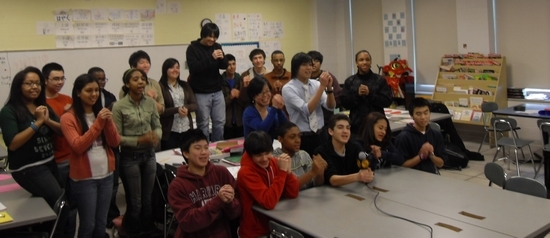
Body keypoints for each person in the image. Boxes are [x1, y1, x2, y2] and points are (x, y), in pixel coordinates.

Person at [0, 67, 66, 234]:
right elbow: (13, 144)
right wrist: (37, 123)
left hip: (49, 163)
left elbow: (61, 131)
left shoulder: (42, 105)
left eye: (37, 83)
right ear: (18, 86)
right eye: (29, 83)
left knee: (50, 205)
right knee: (59, 202)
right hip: (28, 169)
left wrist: (46, 120)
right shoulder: (9, 111)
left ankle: (41, 232)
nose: (35, 87)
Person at [60, 74, 121, 238]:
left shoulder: (101, 113)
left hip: (107, 174)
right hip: (84, 179)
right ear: (78, 92)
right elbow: (78, 146)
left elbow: (115, 142)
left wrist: (108, 123)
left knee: (101, 223)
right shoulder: (68, 117)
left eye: (96, 90)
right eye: (88, 90)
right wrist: (99, 122)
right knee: (88, 224)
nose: (94, 94)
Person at [112, 68, 162, 237]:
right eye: (135, 79)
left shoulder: (149, 102)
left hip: (149, 155)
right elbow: (116, 137)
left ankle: (148, 229)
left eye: (143, 79)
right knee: (136, 202)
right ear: (127, 84)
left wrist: (156, 136)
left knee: (148, 199)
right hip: (129, 157)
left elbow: (157, 125)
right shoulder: (119, 106)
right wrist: (139, 140)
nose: (140, 82)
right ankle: (132, 231)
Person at [168, 129, 241, 238]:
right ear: (186, 153)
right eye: (198, 148)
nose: (204, 152)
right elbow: (188, 223)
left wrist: (230, 202)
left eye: (206, 147)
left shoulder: (221, 173)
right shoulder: (177, 186)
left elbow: (236, 213)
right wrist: (218, 200)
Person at [237, 131, 299, 238]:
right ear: (250, 155)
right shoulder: (245, 173)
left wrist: (288, 173)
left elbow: (292, 193)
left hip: (276, 225)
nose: (265, 158)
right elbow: (268, 202)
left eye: (267, 153)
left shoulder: (274, 162)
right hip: (255, 232)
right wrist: (282, 172)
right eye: (259, 155)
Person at [282, 52, 336, 156]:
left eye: (310, 65)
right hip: (303, 137)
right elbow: (307, 110)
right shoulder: (288, 88)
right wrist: (322, 87)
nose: (309, 68)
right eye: (305, 65)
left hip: (321, 134)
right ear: (296, 67)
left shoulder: (316, 84)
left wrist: (329, 88)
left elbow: (330, 106)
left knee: (325, 167)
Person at [88, 67, 120, 228]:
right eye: (97, 79)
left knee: (113, 185)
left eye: (103, 79)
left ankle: (111, 216)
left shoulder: (110, 97)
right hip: (92, 148)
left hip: (110, 145)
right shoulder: (84, 101)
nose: (101, 83)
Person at [186, 23, 228, 142]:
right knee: (203, 124)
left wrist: (222, 58)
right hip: (201, 92)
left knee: (219, 123)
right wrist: (212, 58)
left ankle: (219, 149)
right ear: (203, 35)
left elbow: (224, 65)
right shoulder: (193, 48)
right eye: (209, 36)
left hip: (217, 91)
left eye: (215, 37)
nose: (212, 39)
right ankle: (204, 149)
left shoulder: (217, 46)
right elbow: (194, 68)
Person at [340, 50, 392, 135]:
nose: (365, 62)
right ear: (357, 63)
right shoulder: (349, 81)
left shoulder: (380, 80)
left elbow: (387, 101)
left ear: (370, 62)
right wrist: (357, 95)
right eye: (361, 60)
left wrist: (370, 94)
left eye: (367, 60)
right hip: (356, 127)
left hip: (377, 125)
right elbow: (344, 103)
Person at [315, 114, 374, 187]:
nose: (345, 131)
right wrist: (357, 177)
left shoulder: (355, 147)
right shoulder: (322, 151)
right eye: (340, 127)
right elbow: (333, 180)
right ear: (331, 131)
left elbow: (367, 167)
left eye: (348, 128)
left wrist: (368, 174)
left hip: (353, 190)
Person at [394, 98, 446, 174]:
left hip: (431, 176)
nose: (423, 117)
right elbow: (400, 166)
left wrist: (431, 155)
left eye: (426, 113)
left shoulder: (436, 135)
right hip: (410, 178)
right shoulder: (403, 137)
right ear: (412, 115)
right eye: (418, 114)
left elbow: (441, 163)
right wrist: (421, 156)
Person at [42, 62, 73, 188]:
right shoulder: (40, 102)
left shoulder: (67, 99)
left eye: (62, 78)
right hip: (54, 159)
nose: (60, 82)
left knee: (74, 199)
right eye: (56, 79)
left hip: (72, 156)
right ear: (45, 80)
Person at [273, 122, 327, 190]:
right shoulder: (275, 159)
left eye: (299, 136)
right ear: (280, 139)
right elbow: (289, 189)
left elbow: (316, 184)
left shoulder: (304, 154)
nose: (298, 140)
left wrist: (320, 172)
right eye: (292, 137)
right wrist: (312, 172)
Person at [159, 58, 197, 150]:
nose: (175, 70)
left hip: (186, 128)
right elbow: (160, 111)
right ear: (165, 70)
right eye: (172, 67)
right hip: (169, 131)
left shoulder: (185, 85)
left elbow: (194, 105)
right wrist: (176, 110)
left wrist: (186, 108)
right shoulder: (160, 86)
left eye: (177, 67)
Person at [118, 50, 165, 114]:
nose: (146, 65)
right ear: (133, 66)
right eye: (142, 63)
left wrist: (152, 100)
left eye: (147, 62)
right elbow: (123, 110)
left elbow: (161, 110)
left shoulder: (154, 84)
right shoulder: (127, 87)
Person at [307, 50, 343, 123]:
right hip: (309, 116)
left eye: (316, 61)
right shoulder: (304, 78)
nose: (313, 63)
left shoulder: (328, 76)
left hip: (328, 116)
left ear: (321, 63)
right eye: (311, 61)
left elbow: (338, 96)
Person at [221, 54, 244, 139]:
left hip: (240, 120)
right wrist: (230, 97)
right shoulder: (220, 81)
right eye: (229, 65)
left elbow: (246, 101)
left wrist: (240, 95)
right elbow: (219, 104)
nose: (232, 67)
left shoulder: (241, 79)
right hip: (227, 122)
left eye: (233, 64)